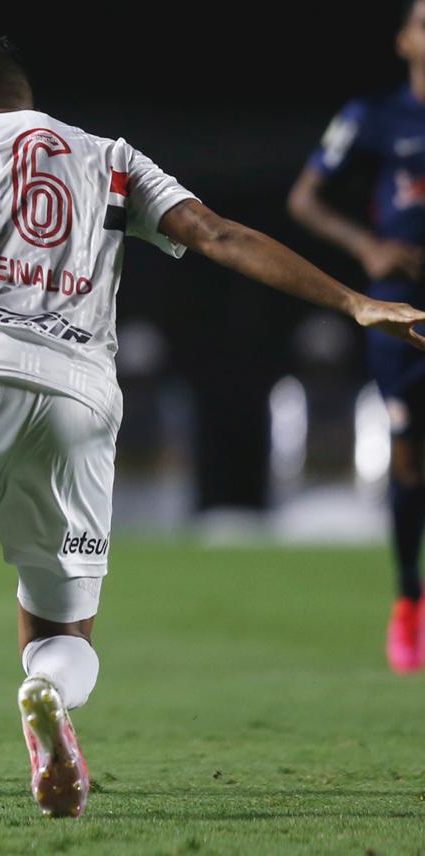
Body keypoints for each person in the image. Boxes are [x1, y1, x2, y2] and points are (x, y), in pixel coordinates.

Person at [0, 37, 425, 820]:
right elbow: (217, 234)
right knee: (61, 629)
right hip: (82, 399)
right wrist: (353, 301)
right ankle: (46, 695)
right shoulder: (112, 156)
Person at [289, 0, 425, 674]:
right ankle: (408, 599)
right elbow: (305, 199)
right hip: (406, 313)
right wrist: (369, 246)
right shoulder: (374, 115)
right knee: (408, 455)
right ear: (406, 39)